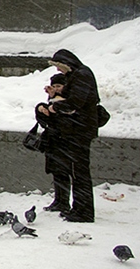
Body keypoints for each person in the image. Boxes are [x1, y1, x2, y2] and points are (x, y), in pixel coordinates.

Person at [36, 49, 100, 223]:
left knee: (79, 173)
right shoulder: (79, 74)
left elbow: (75, 103)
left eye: (58, 66)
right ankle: (79, 208)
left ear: (66, 64)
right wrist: (54, 97)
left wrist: (55, 107)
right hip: (78, 130)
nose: (58, 71)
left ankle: (83, 212)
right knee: (77, 171)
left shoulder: (81, 75)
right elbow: (73, 99)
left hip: (80, 131)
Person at [35, 73, 70, 213]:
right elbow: (47, 122)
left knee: (62, 173)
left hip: (63, 143)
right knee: (57, 173)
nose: (56, 89)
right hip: (54, 143)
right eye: (54, 86)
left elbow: (61, 121)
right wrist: (41, 108)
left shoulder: (67, 101)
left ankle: (64, 202)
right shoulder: (54, 99)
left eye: (59, 86)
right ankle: (58, 200)